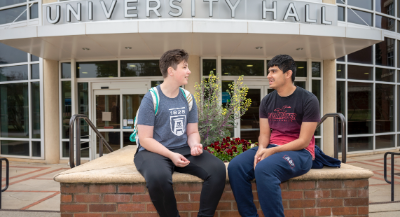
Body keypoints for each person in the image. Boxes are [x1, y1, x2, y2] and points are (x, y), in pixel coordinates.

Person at [134, 49, 226, 217]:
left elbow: (192, 132)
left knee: (218, 169)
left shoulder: (188, 98)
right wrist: (171, 155)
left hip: (182, 149)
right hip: (153, 151)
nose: (189, 71)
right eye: (184, 67)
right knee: (158, 179)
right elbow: (145, 139)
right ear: (171, 71)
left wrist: (195, 145)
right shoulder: (151, 98)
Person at [228, 54, 320, 217]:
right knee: (236, 167)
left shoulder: (308, 100)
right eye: (269, 71)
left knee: (264, 169)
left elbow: (304, 141)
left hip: (300, 153)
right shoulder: (267, 100)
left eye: (273, 71)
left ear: (288, 73)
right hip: (272, 147)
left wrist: (271, 152)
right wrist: (261, 150)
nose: (268, 76)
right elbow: (264, 134)